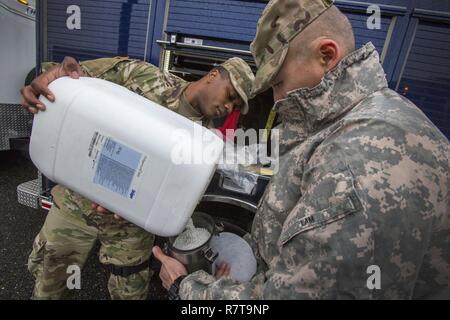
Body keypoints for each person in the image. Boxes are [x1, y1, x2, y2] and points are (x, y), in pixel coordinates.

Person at [153, 0, 450, 299]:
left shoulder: (354, 168)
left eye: (279, 81)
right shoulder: (380, 113)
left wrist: (187, 290)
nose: (277, 96)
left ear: (327, 55)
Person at [20, 55, 254, 299]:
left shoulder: (202, 145)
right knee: (52, 286)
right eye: (230, 95)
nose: (228, 107)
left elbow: (171, 199)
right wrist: (53, 76)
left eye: (235, 106)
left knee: (129, 295)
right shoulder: (145, 76)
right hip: (74, 204)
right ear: (213, 75)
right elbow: (75, 81)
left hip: (129, 229)